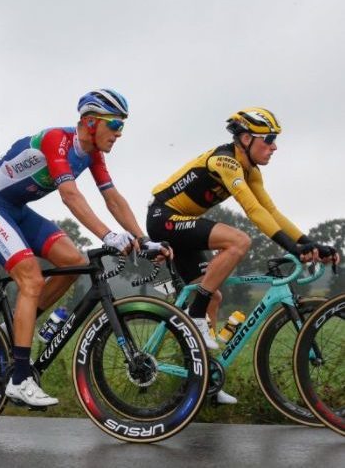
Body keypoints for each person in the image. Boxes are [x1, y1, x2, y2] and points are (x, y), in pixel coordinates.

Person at [0, 89, 170, 407]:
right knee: (32, 280)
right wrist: (107, 235)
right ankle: (19, 379)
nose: (119, 133)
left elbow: (112, 198)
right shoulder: (56, 141)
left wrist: (142, 239)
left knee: (72, 261)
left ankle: (19, 326)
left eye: (122, 127)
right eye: (115, 124)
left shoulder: (93, 155)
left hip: (17, 208)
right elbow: (70, 196)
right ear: (90, 122)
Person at [146, 107, 340, 404]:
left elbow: (271, 212)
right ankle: (195, 315)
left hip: (183, 225)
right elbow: (252, 211)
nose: (274, 146)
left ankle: (201, 384)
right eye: (269, 139)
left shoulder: (251, 172)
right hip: (164, 217)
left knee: (214, 297)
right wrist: (292, 248)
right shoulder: (225, 161)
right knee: (238, 241)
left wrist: (308, 242)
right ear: (246, 138)